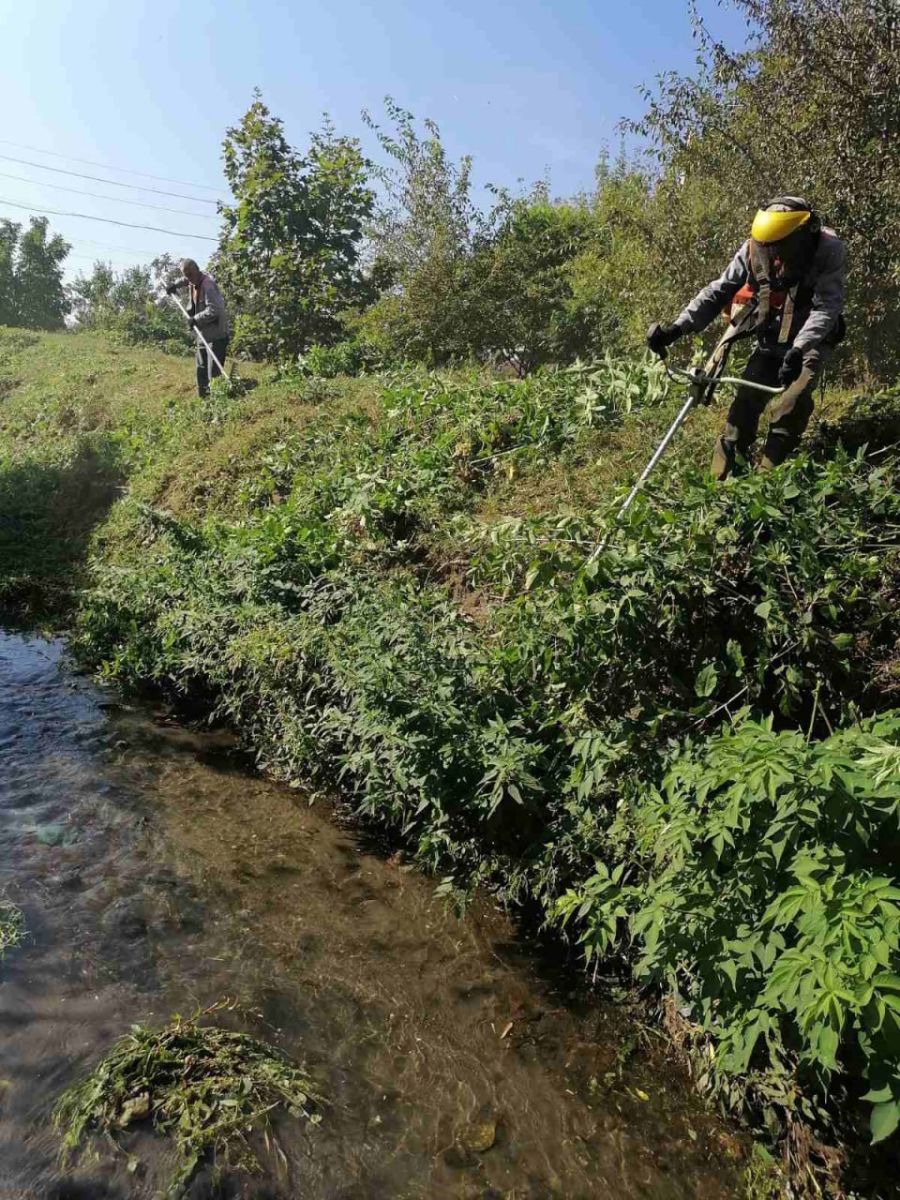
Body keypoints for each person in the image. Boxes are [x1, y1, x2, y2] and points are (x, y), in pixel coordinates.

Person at [648, 197, 846, 478]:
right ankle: (721, 482)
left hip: (810, 339)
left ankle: (768, 478)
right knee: (744, 405)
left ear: (803, 233)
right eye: (769, 244)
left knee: (793, 401)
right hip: (771, 335)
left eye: (781, 243)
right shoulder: (755, 247)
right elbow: (719, 290)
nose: (774, 252)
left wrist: (800, 348)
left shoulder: (828, 249)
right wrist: (676, 329)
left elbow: (827, 306)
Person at [166, 259, 231, 398]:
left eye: (190, 274)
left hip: (217, 336)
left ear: (197, 270)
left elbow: (215, 309)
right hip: (202, 335)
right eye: (186, 275)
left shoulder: (208, 285)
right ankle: (205, 404)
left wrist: (196, 319)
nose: (189, 278)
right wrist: (174, 286)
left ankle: (218, 405)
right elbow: (185, 280)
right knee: (201, 371)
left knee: (213, 373)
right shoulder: (191, 280)